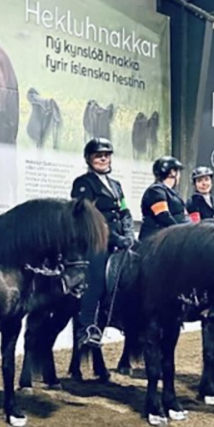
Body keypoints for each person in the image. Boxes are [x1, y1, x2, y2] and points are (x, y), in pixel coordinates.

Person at [69, 138, 136, 346]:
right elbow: (90, 216)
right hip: (96, 240)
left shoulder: (116, 185)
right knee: (96, 278)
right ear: (89, 159)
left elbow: (124, 211)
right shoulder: (83, 184)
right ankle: (87, 327)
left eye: (106, 155)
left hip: (120, 240)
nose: (103, 158)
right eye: (99, 155)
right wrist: (115, 238)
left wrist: (130, 235)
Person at [139, 156, 190, 242]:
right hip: (155, 242)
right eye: (178, 171)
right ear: (172, 172)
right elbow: (163, 216)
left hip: (168, 239)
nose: (179, 176)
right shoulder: (156, 191)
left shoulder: (172, 193)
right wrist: (181, 232)